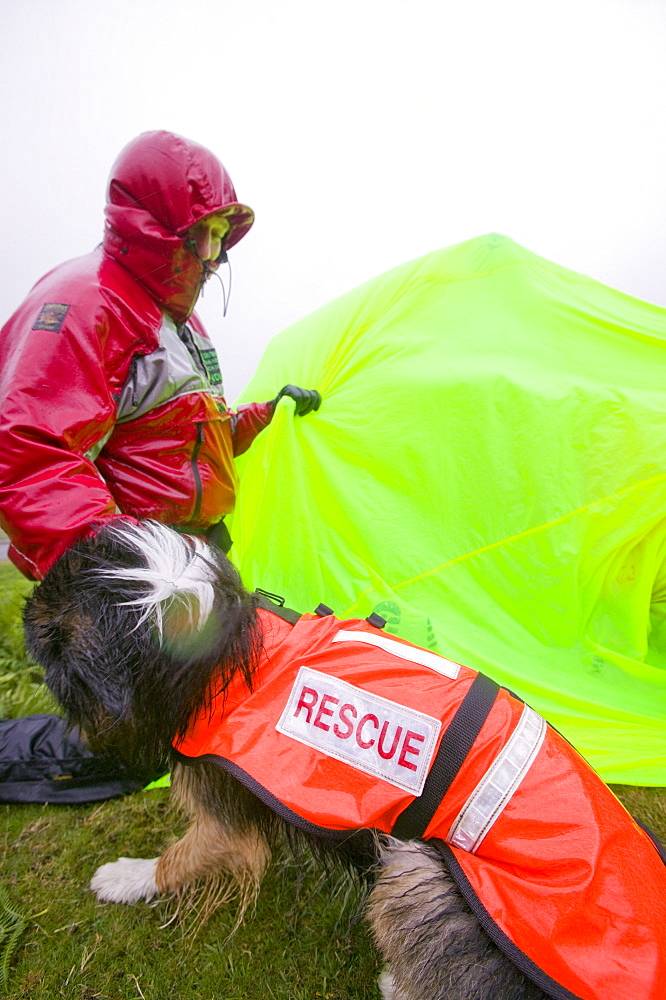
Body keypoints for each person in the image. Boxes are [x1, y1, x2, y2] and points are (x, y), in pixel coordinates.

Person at [0, 130, 321, 580]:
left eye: (221, 238)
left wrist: (265, 414)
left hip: (191, 559)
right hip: (144, 579)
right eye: (204, 234)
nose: (214, 258)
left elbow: (185, 437)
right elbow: (30, 452)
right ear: (154, 228)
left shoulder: (182, 324)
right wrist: (123, 575)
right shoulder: (88, 303)